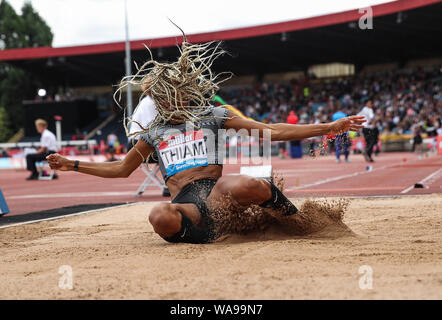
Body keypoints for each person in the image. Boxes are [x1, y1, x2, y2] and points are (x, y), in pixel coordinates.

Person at [47, 36, 365, 244]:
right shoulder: (153, 134)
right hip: (188, 207)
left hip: (218, 194)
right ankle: (214, 235)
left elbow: (274, 131)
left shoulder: (214, 116)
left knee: (245, 183)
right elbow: (120, 169)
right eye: (160, 99)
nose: (166, 103)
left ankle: (295, 221)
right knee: (158, 215)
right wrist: (72, 164)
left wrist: (328, 128)